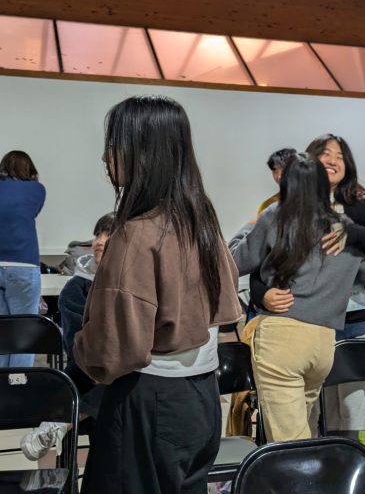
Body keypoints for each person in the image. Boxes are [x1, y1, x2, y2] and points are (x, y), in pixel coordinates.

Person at [74, 95, 241, 493]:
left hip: (147, 400)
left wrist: (81, 346)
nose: (105, 156)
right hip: (201, 395)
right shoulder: (199, 219)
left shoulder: (137, 233)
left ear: (143, 152)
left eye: (115, 144)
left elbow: (112, 351)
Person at [231, 153, 365, 441]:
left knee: (289, 441)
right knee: (302, 432)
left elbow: (235, 263)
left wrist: (248, 229)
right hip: (323, 344)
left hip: (282, 339)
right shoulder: (345, 229)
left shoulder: (276, 216)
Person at [21, 213, 114, 461]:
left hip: (122, 374)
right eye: (97, 234)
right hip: (91, 369)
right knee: (109, 377)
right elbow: (77, 347)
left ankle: (64, 420)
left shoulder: (138, 283)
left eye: (109, 235)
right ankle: (65, 420)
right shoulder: (78, 287)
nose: (99, 241)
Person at [0, 150, 46, 368]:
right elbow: (32, 211)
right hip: (22, 263)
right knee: (23, 334)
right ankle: (19, 383)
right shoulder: (36, 189)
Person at [257, 147, 296, 215]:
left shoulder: (311, 199)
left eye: (283, 170)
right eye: (275, 171)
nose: (279, 176)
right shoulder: (267, 205)